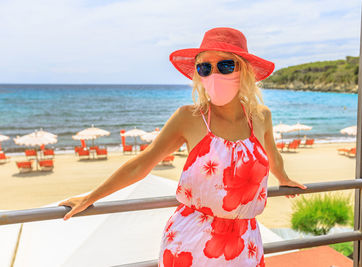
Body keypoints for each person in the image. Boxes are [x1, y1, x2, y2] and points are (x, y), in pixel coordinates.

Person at [58, 27, 307, 266]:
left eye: (225, 65)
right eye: (205, 67)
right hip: (191, 242)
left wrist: (284, 178)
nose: (214, 74)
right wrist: (91, 197)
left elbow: (272, 155)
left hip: (245, 241)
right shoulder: (189, 118)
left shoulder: (261, 117)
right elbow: (143, 163)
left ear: (243, 71)